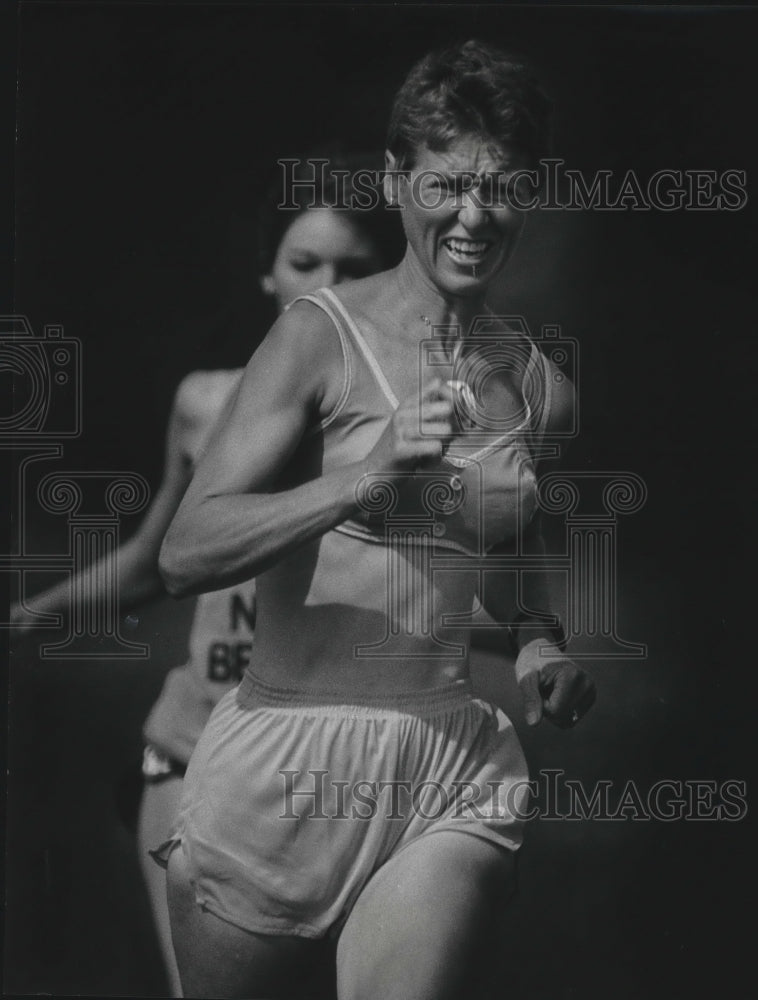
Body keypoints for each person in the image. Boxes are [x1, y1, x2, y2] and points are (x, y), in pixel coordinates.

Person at [158, 39, 596, 1000]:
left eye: (505, 187)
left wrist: (536, 639)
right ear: (398, 177)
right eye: (446, 185)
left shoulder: (537, 384)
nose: (474, 215)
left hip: (446, 760)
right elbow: (188, 551)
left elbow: (525, 531)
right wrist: (371, 469)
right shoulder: (318, 334)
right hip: (284, 770)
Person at [10, 155, 398, 997]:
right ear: (269, 272)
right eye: (306, 264)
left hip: (334, 762)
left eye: (355, 269)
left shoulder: (406, 427)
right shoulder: (208, 400)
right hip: (194, 748)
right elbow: (158, 562)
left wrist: (529, 633)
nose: (327, 287)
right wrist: (29, 616)